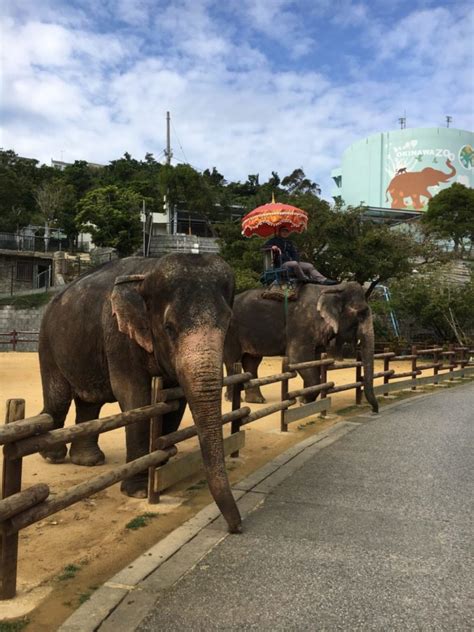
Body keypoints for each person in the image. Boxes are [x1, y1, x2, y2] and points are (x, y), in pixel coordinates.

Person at [264, 227, 338, 285]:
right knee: (294, 264)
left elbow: (295, 253)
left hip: (293, 261)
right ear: (279, 232)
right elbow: (264, 247)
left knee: (309, 266)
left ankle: (323, 280)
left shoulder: (290, 242)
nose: (285, 233)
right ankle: (304, 279)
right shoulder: (274, 240)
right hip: (282, 263)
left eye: (286, 232)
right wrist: (272, 246)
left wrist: (297, 258)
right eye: (283, 231)